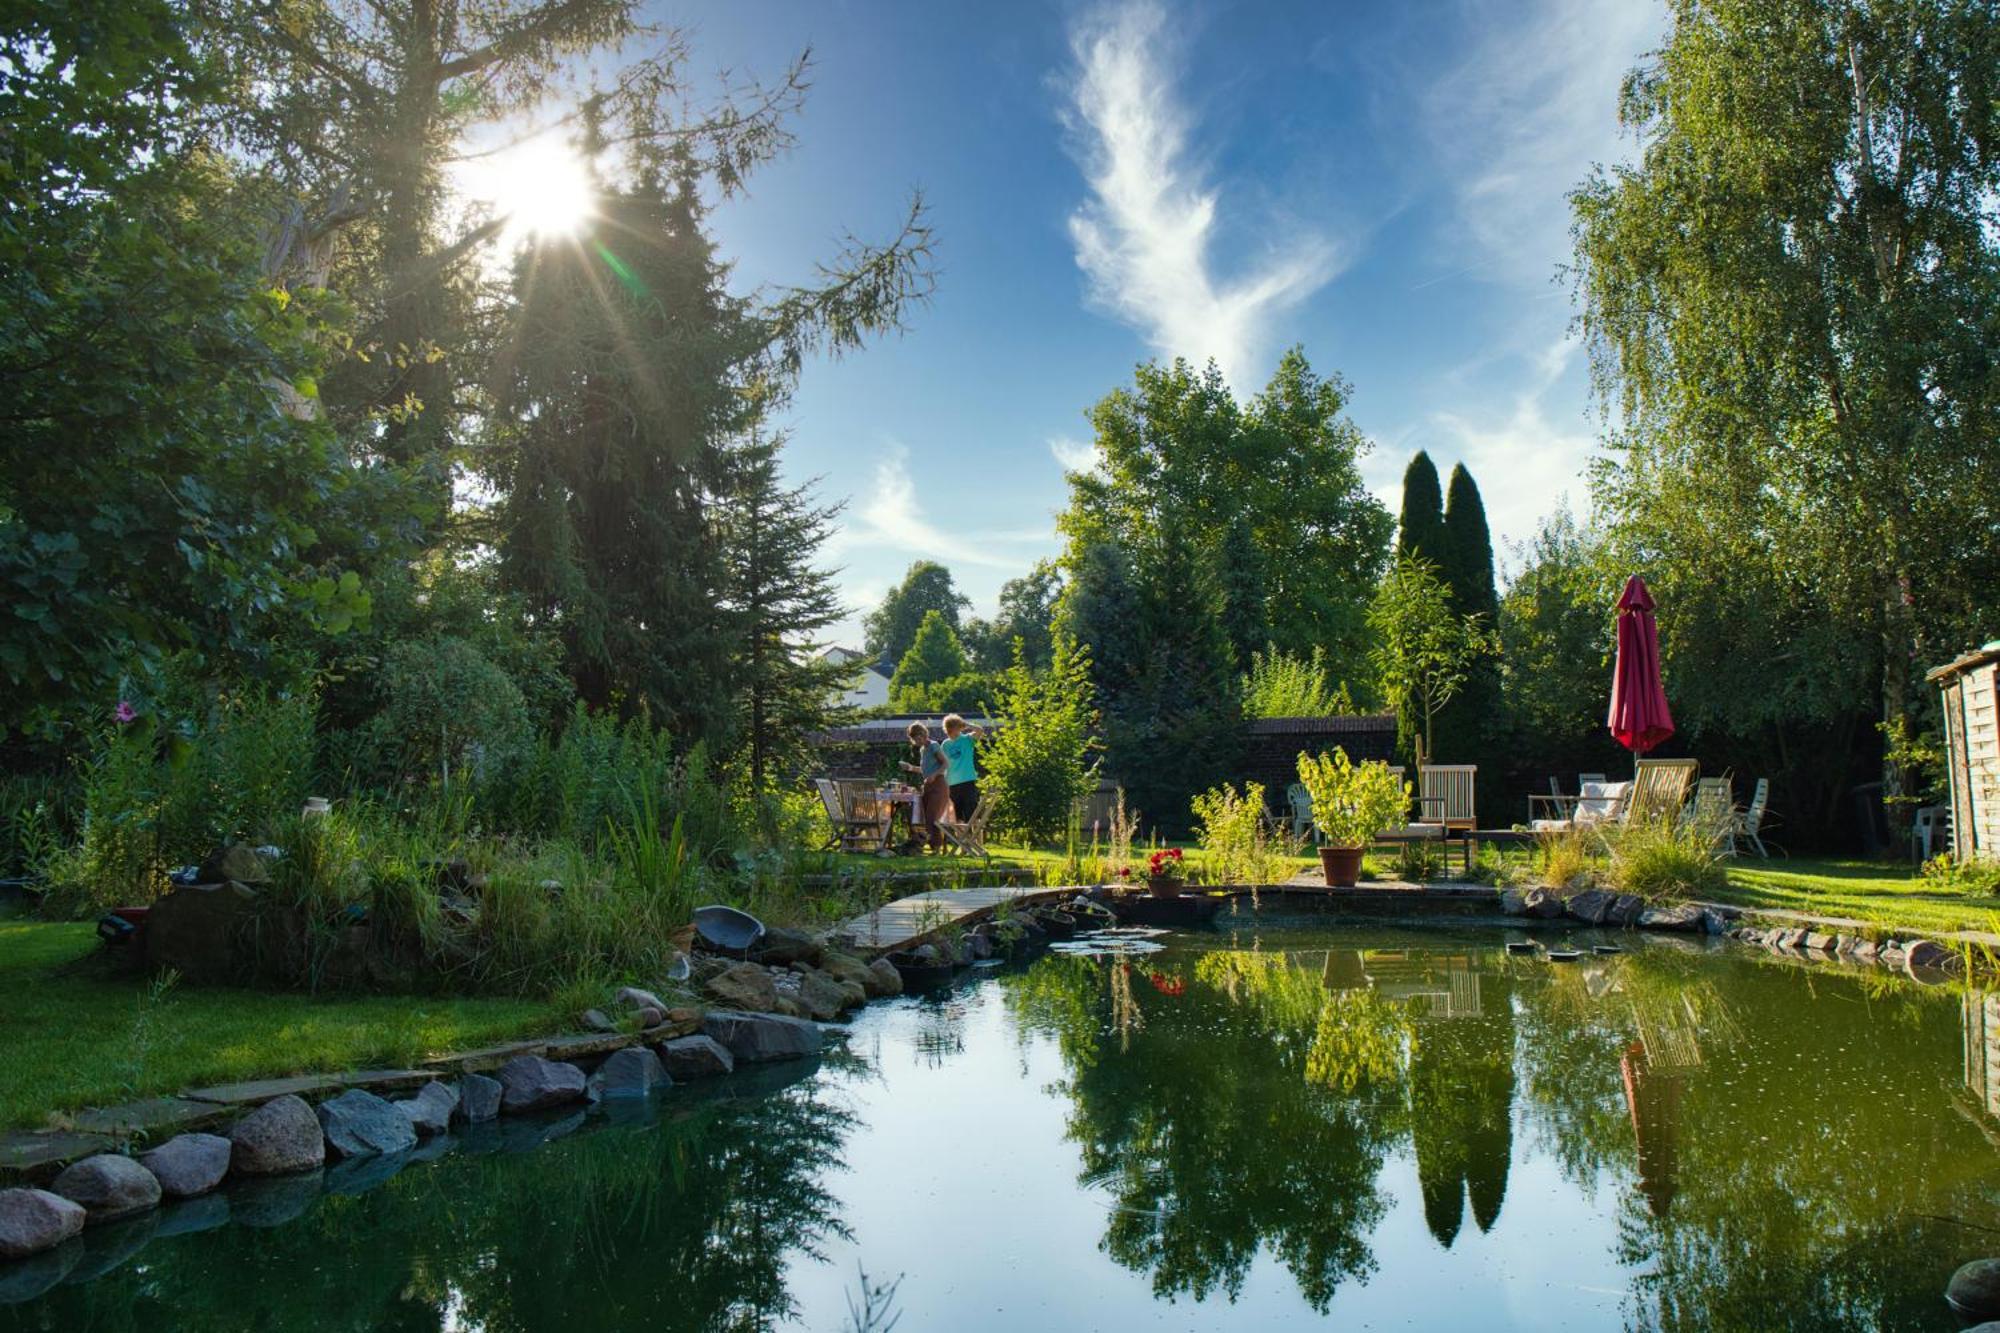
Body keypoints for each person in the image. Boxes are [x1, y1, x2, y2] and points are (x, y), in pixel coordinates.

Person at [900, 721, 950, 852]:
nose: (915, 741)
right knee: (924, 818)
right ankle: (927, 845)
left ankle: (936, 847)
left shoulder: (933, 746)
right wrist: (910, 767)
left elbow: (945, 764)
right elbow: (925, 770)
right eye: (913, 739)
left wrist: (934, 775)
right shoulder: (923, 749)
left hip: (939, 785)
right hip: (927, 786)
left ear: (922, 735)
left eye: (916, 738)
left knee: (932, 817)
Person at [938, 713, 984, 823]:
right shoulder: (945, 744)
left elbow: (980, 730)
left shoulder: (967, 739)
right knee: (956, 816)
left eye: (951, 728)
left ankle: (974, 840)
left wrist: (965, 724)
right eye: (947, 729)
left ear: (958, 728)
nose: (949, 732)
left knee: (971, 814)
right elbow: (943, 764)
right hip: (951, 784)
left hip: (968, 781)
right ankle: (962, 839)